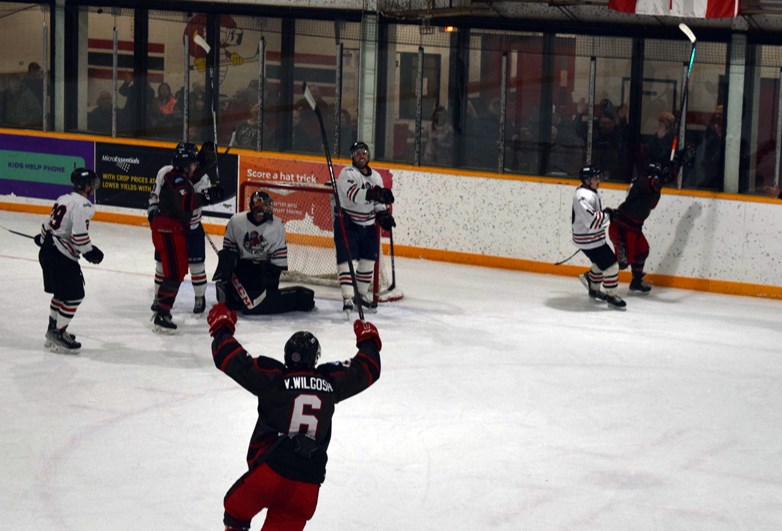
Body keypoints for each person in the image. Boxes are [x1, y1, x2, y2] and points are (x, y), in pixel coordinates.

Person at [206, 302, 382, 531]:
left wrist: (222, 328)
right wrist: (368, 341)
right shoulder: (330, 381)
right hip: (307, 482)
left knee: (236, 511)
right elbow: (369, 368)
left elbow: (229, 358)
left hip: (269, 471)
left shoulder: (274, 378)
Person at [149, 143, 224, 332]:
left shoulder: (186, 177)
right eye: (192, 163)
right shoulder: (174, 178)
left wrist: (205, 189)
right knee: (172, 272)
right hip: (169, 230)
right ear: (185, 164)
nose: (195, 166)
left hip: (177, 229)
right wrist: (209, 195)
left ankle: (163, 307)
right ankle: (162, 310)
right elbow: (187, 202)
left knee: (181, 269)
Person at [35, 168, 104, 353]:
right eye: (92, 183)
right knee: (74, 296)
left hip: (48, 252)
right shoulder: (84, 205)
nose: (94, 187)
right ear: (86, 186)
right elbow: (79, 236)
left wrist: (41, 238)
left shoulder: (63, 198)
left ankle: (52, 329)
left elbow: (47, 225)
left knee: (60, 295)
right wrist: (90, 252)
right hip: (60, 255)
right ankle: (58, 332)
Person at [212, 190, 315, 314]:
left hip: (264, 268)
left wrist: (269, 284)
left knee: (265, 294)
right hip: (243, 266)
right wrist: (228, 270)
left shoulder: (277, 225)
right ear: (257, 207)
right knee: (232, 300)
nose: (268, 208)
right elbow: (229, 250)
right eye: (265, 205)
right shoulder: (236, 222)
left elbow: (277, 262)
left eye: (268, 205)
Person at [333, 141, 395, 313]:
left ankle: (360, 294)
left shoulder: (376, 176)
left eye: (365, 152)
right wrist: (375, 193)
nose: (362, 154)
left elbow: (378, 202)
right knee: (346, 261)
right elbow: (354, 195)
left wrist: (383, 214)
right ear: (352, 156)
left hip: (368, 224)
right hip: (348, 221)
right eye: (358, 152)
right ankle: (347, 297)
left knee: (368, 261)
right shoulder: (347, 173)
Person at [607, 162, 675, 293]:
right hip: (623, 227)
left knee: (642, 251)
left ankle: (636, 281)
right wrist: (662, 177)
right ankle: (592, 276)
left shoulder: (653, 185)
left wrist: (676, 165)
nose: (657, 179)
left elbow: (661, 183)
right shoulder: (642, 181)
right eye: (656, 176)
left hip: (634, 228)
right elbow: (652, 184)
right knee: (622, 262)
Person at [571, 165, 626, 309]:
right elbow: (592, 221)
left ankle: (593, 287)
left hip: (591, 238)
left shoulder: (589, 191)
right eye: (595, 178)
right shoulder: (583, 196)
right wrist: (608, 215)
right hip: (589, 239)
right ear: (587, 180)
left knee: (601, 263)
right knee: (612, 265)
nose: (598, 180)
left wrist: (607, 214)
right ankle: (612, 296)